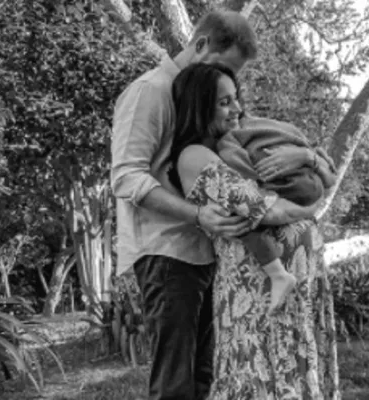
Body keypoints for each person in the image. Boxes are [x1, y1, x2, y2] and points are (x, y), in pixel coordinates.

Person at [111, 10, 259, 400]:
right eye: (224, 67)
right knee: (175, 383)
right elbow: (126, 176)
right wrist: (197, 214)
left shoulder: (200, 94)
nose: (226, 81)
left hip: (206, 249)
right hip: (167, 253)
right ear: (200, 44)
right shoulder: (150, 91)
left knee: (204, 377)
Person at [169, 62, 336, 398]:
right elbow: (264, 208)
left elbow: (324, 180)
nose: (237, 109)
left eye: (236, 98)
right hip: (255, 290)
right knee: (258, 379)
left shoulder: (240, 147)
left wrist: (305, 157)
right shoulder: (194, 155)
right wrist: (309, 212)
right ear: (199, 107)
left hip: (298, 283)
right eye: (224, 102)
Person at [217, 115, 337, 312]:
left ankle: (277, 274)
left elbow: (255, 199)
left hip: (288, 201)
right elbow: (330, 180)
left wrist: (307, 157)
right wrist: (310, 159)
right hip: (310, 187)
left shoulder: (228, 139)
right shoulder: (279, 127)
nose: (233, 109)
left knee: (240, 209)